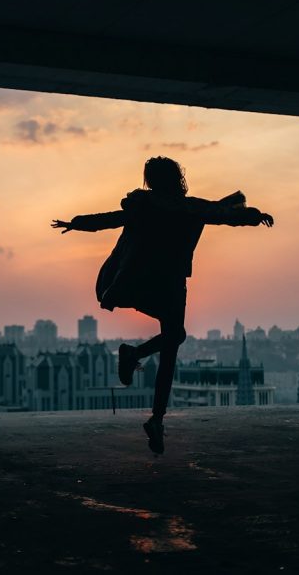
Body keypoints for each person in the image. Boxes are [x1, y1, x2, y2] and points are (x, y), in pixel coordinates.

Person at [52, 156, 273, 454]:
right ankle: (154, 410)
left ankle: (152, 406)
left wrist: (75, 223)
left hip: (141, 281)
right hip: (169, 284)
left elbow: (109, 220)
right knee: (173, 343)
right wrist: (254, 216)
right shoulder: (188, 207)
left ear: (150, 179)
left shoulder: (143, 206)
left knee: (173, 341)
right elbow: (222, 213)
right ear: (177, 178)